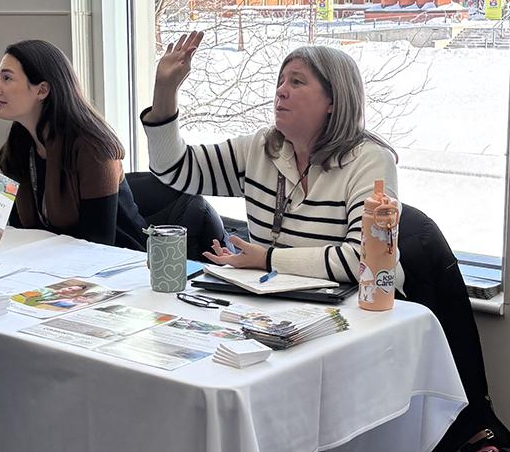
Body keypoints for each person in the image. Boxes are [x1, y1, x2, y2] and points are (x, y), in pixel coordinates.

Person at [141, 35, 397, 283]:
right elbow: (173, 169)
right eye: (281, 82)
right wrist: (165, 90)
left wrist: (267, 259)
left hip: (356, 313)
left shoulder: (370, 160)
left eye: (296, 82)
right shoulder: (261, 148)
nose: (281, 91)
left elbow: (367, 261)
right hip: (273, 308)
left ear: (333, 99)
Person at [0, 39, 145, 247]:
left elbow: (100, 244)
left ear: (42, 90)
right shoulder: (16, 148)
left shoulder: (93, 148)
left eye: (7, 78)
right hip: (51, 265)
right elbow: (19, 233)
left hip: (120, 266)